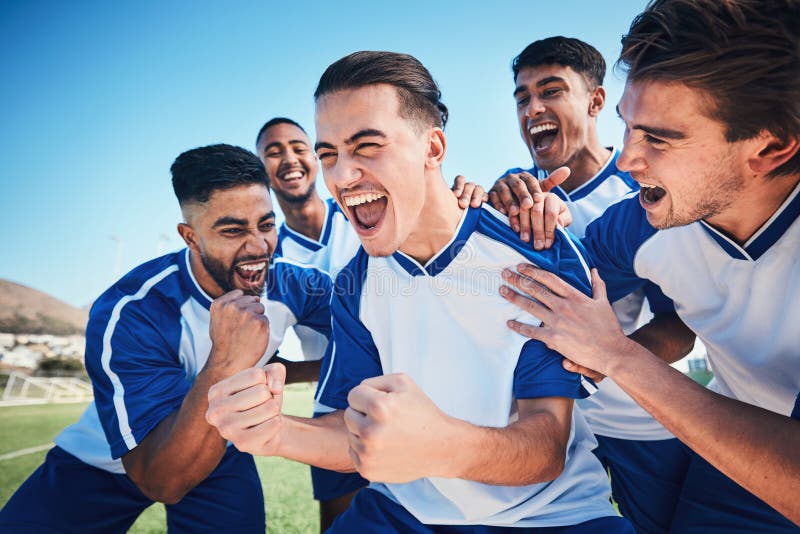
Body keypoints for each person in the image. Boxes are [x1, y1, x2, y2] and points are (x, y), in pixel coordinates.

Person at [207, 51, 633, 533]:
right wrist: (273, 431)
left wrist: (440, 444)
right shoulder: (354, 285)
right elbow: (354, 434)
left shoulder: (538, 250)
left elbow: (545, 448)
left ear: (433, 148)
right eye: (328, 154)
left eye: (366, 145)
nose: (341, 177)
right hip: (402, 513)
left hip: (549, 518)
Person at [498, 0, 800, 530]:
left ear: (769, 145)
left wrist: (617, 356)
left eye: (658, 137)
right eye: (629, 127)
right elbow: (556, 296)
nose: (626, 159)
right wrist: (505, 232)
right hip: (724, 447)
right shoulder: (634, 225)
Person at [0, 144, 333, 533]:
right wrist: (227, 361)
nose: (258, 246)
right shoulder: (132, 311)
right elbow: (160, 478)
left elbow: (368, 335)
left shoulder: (295, 285)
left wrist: (293, 370)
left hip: (217, 450)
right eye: (233, 230)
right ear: (190, 237)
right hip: (109, 460)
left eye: (265, 224)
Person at [490, 36, 694, 534]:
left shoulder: (644, 192)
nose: (533, 107)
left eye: (551, 91)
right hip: (550, 427)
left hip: (640, 424)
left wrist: (598, 360)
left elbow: (679, 328)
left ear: (597, 101)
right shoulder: (512, 193)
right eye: (522, 97)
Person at [254, 116, 489, 530]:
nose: (288, 158)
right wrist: (328, 371)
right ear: (263, 171)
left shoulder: (364, 204)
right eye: (273, 152)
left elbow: (436, 219)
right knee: (344, 516)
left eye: (298, 146)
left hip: (420, 391)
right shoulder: (270, 255)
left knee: (437, 500)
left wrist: (470, 193)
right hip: (341, 401)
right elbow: (271, 363)